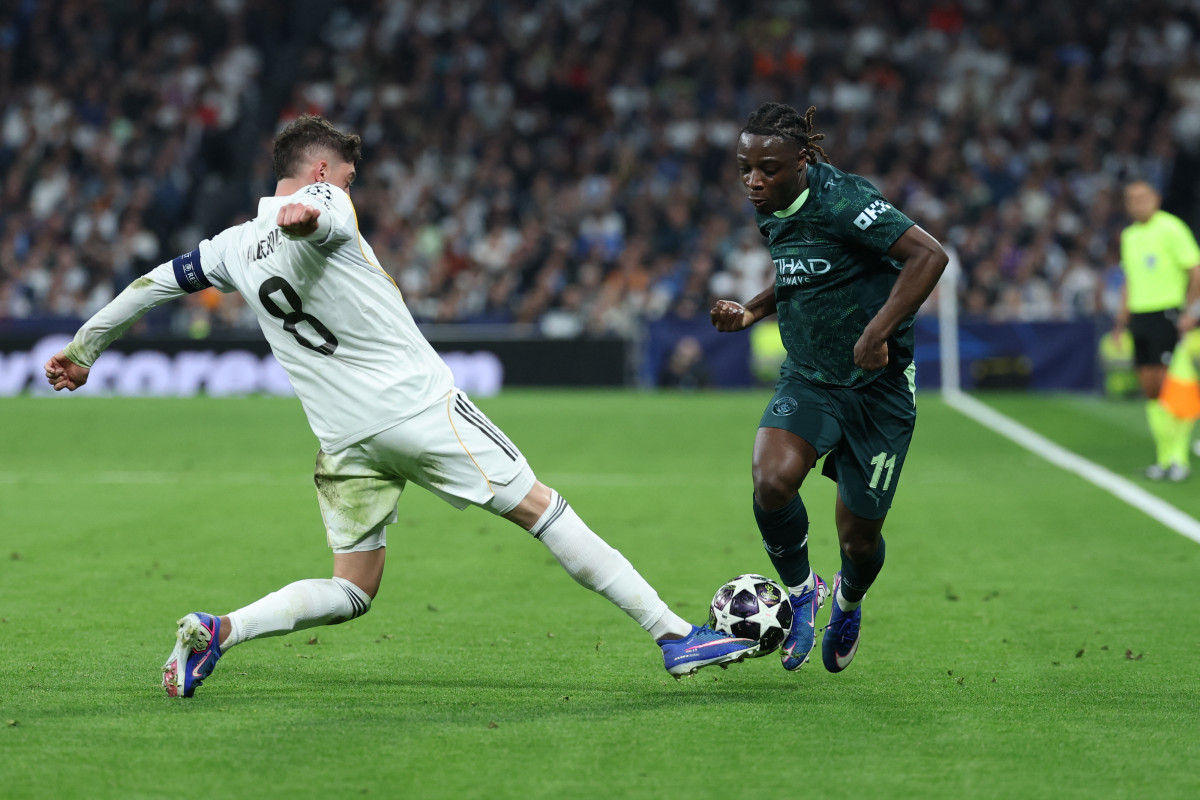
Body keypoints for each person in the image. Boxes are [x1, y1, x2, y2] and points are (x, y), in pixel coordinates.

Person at [44, 115, 758, 696]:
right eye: (347, 177)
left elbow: (148, 285)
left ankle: (220, 629)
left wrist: (83, 349)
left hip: (345, 440)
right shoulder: (324, 201)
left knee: (352, 589)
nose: (350, 189)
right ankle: (675, 636)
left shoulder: (228, 248)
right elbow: (314, 217)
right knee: (544, 509)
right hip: (420, 411)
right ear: (322, 170)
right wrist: (303, 214)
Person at [709, 102, 947, 674]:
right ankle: (801, 594)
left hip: (878, 387)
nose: (753, 180)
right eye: (745, 167)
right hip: (811, 374)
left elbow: (928, 255)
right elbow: (800, 269)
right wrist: (752, 311)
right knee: (771, 480)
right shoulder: (770, 207)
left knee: (859, 542)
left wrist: (878, 330)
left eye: (766, 168)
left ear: (804, 160)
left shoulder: (845, 199)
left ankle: (848, 599)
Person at [1111, 179, 1200, 481]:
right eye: (1132, 199)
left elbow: (1196, 269)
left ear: (1156, 199)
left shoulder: (1172, 228)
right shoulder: (1130, 236)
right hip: (1140, 316)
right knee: (1150, 388)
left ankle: (1178, 458)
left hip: (1167, 314)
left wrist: (1190, 311)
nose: (1138, 203)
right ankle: (1163, 459)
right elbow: (1129, 280)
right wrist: (1121, 321)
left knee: (1171, 388)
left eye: (1143, 197)